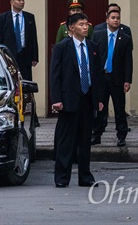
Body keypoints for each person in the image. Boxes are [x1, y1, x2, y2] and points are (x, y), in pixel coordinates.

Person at [50, 13, 105, 188]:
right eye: (81, 24)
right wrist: (57, 99)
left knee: (84, 140)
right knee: (66, 140)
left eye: (86, 24)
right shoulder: (62, 47)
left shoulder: (93, 47)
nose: (85, 27)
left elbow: (97, 75)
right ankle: (62, 177)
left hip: (87, 98)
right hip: (68, 100)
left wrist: (99, 98)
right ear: (71, 28)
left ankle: (85, 177)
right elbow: (55, 75)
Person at [91, 9, 133, 147]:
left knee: (119, 109)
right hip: (101, 78)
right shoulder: (98, 35)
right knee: (99, 108)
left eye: (118, 18)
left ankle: (121, 135)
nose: (116, 20)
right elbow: (93, 57)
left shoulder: (125, 37)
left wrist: (127, 80)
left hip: (117, 79)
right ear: (107, 20)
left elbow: (128, 60)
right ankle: (96, 134)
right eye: (113, 18)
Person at [0, 0, 39, 81]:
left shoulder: (29, 17)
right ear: (12, 2)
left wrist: (35, 57)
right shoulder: (3, 18)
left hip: (25, 54)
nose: (22, 2)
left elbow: (33, 38)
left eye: (23, 0)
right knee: (11, 80)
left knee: (26, 80)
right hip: (9, 55)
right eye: (19, 0)